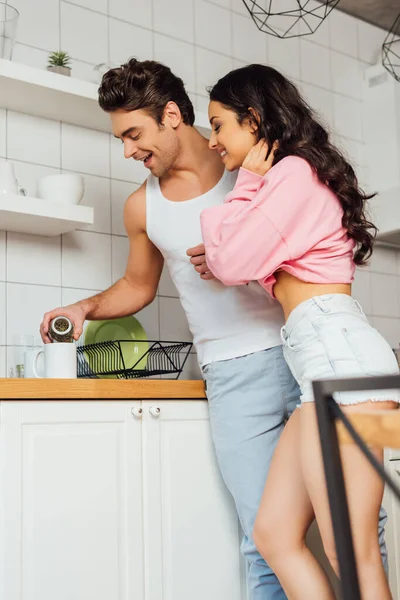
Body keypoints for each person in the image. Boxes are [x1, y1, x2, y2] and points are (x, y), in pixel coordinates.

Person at [39, 58, 301, 600]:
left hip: (304, 351)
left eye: (133, 134)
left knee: (355, 523)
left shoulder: (250, 160)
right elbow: (139, 286)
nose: (129, 150)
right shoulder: (143, 207)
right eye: (121, 139)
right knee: (264, 538)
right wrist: (86, 307)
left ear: (173, 115)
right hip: (232, 376)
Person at [199, 63, 399, 600]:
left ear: (254, 119)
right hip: (329, 367)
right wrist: (230, 242)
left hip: (345, 369)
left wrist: (246, 184)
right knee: (274, 534)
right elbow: (233, 257)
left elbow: (231, 261)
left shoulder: (290, 174)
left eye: (219, 125)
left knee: (350, 554)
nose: (213, 140)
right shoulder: (293, 178)